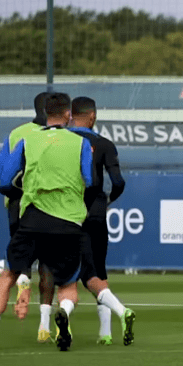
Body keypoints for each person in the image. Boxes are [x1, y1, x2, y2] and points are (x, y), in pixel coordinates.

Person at [0, 92, 93, 351]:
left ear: (45, 112)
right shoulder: (81, 143)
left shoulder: (25, 140)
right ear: (68, 114)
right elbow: (90, 180)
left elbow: (1, 179)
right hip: (67, 220)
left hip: (31, 218)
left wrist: (25, 190)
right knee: (66, 283)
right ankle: (61, 313)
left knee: (8, 273)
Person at [0, 91, 57, 341]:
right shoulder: (64, 135)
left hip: (17, 206)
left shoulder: (17, 134)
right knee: (49, 263)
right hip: (51, 206)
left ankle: (23, 280)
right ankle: (44, 323)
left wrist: (15, 193)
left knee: (19, 260)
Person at [69, 96, 135, 346]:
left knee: (78, 274)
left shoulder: (63, 141)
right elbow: (118, 182)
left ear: (70, 115)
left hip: (70, 211)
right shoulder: (105, 144)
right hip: (97, 211)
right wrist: (107, 201)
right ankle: (105, 333)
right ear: (93, 116)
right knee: (99, 269)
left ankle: (122, 312)